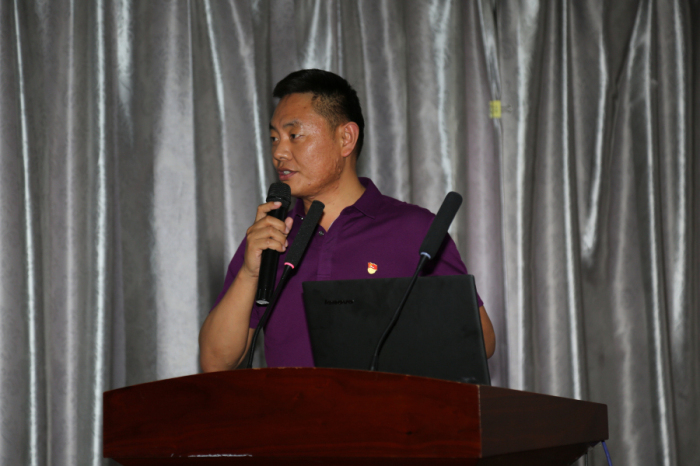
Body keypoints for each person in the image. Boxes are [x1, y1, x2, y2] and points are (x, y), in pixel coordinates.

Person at [199, 69, 495, 372]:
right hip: (289, 405)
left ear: (346, 138)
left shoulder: (413, 229)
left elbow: (479, 341)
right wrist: (250, 272)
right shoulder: (271, 236)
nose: (279, 152)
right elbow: (215, 363)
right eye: (274, 138)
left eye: (294, 135)